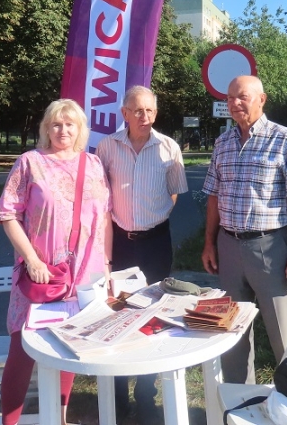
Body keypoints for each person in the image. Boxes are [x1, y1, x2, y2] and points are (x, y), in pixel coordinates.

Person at [0, 99, 112, 425]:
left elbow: (104, 216)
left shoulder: (93, 164)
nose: (63, 130)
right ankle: (9, 422)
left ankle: (59, 418)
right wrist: (32, 260)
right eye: (56, 124)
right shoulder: (30, 162)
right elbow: (7, 215)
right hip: (42, 273)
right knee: (22, 349)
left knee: (67, 347)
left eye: (70, 124)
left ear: (80, 129)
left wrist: (106, 263)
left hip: (84, 275)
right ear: (46, 129)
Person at [201, 75, 287, 384]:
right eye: (230, 98)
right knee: (231, 334)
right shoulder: (222, 143)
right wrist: (209, 243)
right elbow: (213, 197)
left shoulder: (285, 139)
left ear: (262, 99)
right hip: (228, 246)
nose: (235, 103)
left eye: (243, 97)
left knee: (284, 337)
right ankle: (240, 400)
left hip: (270, 249)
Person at [95, 85, 189, 422]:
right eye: (137, 110)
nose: (144, 116)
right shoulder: (107, 147)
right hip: (120, 242)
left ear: (156, 113)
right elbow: (98, 194)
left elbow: (175, 192)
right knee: (117, 312)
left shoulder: (169, 148)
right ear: (124, 113)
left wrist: (153, 216)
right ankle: (117, 396)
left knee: (154, 314)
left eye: (149, 110)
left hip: (155, 242)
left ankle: (146, 393)